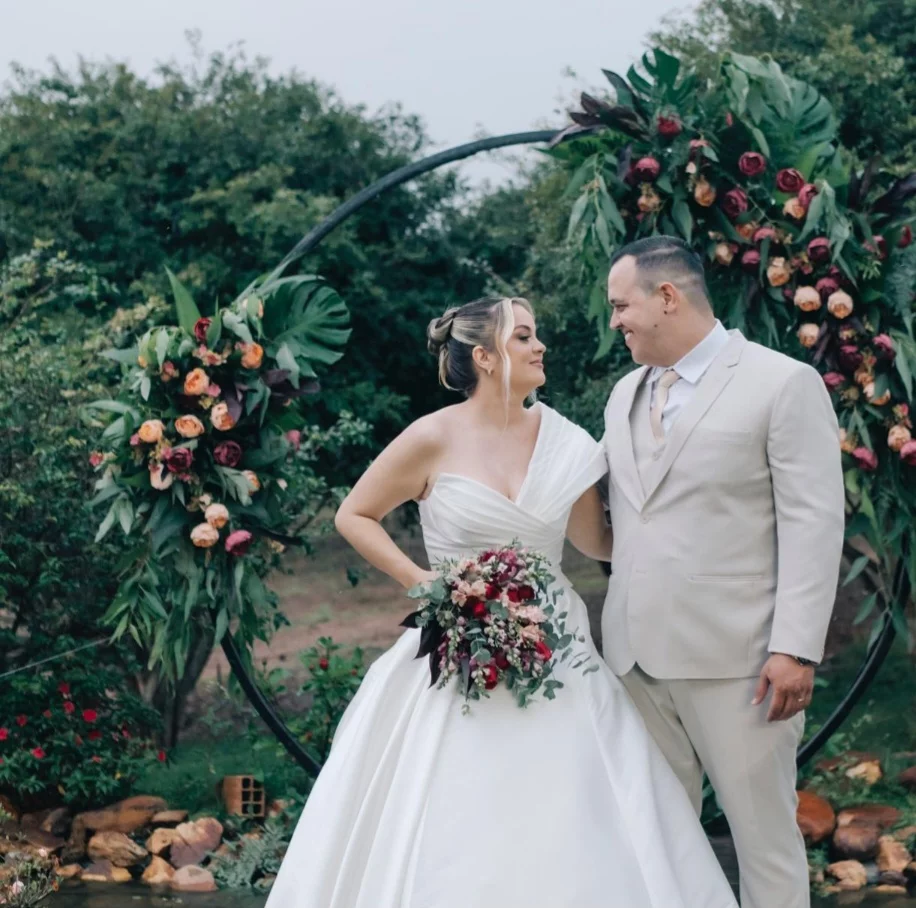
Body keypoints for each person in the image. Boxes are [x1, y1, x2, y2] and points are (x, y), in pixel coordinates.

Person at [266, 295, 738, 907]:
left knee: (577, 803)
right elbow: (354, 514)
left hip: (560, 650)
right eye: (523, 336)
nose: (540, 346)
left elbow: (596, 540)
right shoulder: (431, 436)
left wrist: (681, 524)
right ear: (485, 357)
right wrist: (428, 585)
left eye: (535, 335)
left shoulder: (566, 441)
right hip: (455, 648)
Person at [601, 236, 845, 908]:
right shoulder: (623, 393)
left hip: (743, 662)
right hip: (634, 659)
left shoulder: (781, 382)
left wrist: (796, 647)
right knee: (660, 842)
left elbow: (814, 522)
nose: (615, 321)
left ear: (667, 297)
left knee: (763, 841)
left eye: (621, 305)